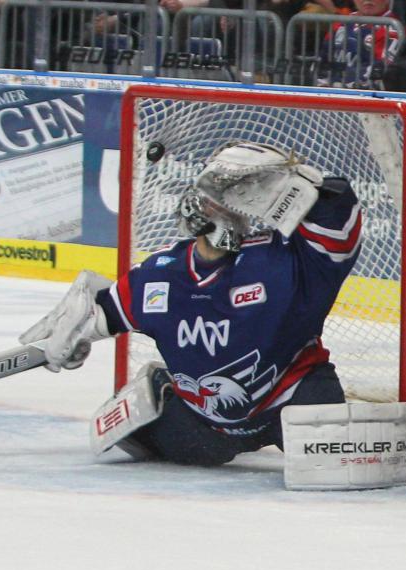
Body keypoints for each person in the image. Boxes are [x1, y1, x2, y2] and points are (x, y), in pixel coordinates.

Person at [19, 142, 363, 465]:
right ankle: (162, 390)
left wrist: (312, 187)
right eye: (212, 199)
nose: (220, 206)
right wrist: (79, 327)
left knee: (334, 461)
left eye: (228, 197)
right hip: (205, 430)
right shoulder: (158, 275)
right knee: (147, 445)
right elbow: (104, 312)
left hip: (293, 404)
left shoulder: (283, 260)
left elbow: (339, 225)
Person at [316, 0, 401, 89]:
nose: (367, 1)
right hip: (330, 91)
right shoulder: (340, 23)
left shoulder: (393, 29)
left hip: (366, 95)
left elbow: (381, 70)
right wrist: (322, 84)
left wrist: (350, 87)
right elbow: (323, 60)